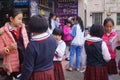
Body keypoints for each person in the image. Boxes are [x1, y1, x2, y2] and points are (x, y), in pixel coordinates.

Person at [20, 15, 57, 80]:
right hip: (50, 72)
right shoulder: (52, 39)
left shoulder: (32, 45)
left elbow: (28, 68)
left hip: (37, 75)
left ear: (31, 27)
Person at [0, 8, 29, 79]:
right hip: (12, 65)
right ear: (11, 19)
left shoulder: (23, 29)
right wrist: (9, 48)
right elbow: (1, 51)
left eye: (22, 19)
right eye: (19, 19)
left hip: (24, 63)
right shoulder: (3, 32)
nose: (21, 21)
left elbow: (27, 43)